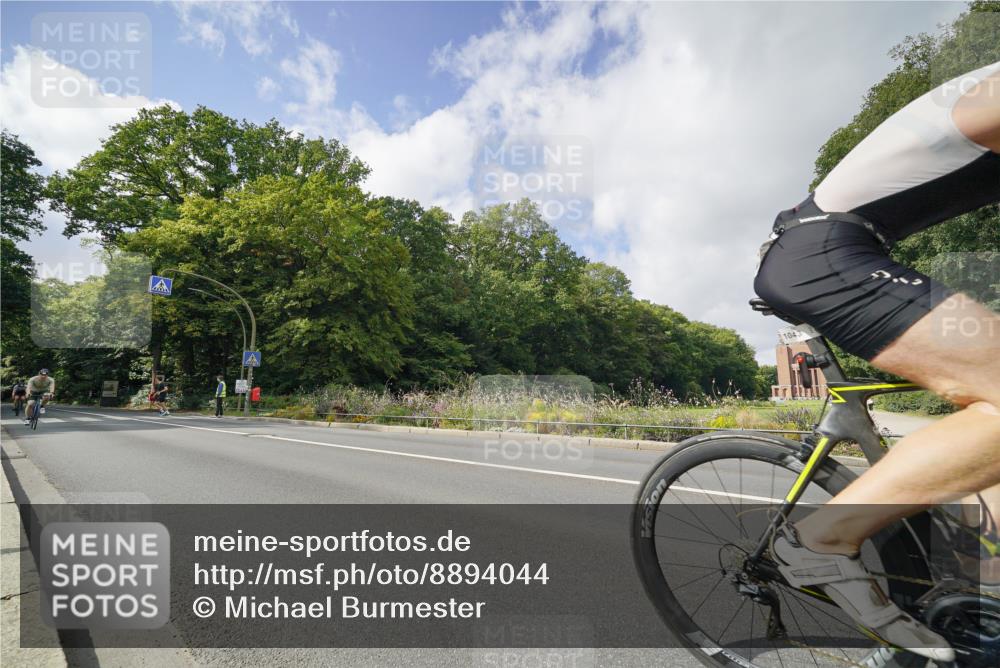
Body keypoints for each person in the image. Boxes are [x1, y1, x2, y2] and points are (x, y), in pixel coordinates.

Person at [754, 61, 1000, 661]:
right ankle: (821, 539)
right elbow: (978, 116)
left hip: (836, 245)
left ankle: (966, 590)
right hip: (823, 251)